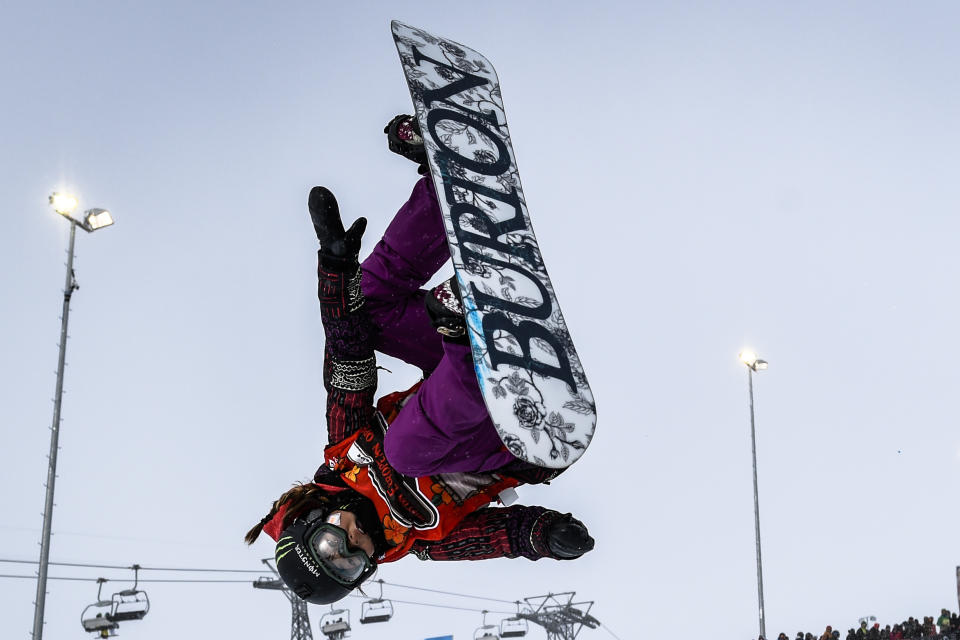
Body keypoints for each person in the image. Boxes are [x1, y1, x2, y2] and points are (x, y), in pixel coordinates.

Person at [244, 115, 594, 604]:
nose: (352, 541)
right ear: (366, 571)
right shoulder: (428, 539)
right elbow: (502, 535)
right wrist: (546, 535)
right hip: (514, 430)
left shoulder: (347, 448)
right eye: (351, 561)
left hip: (464, 371)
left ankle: (445, 192)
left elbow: (348, 353)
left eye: (330, 543)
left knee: (370, 304)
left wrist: (337, 269)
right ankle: (459, 331)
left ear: (312, 520)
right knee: (406, 450)